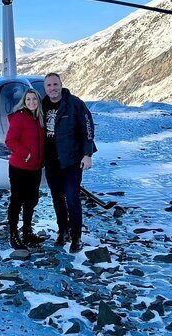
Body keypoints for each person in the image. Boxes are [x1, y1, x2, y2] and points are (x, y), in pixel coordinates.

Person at [42, 72, 96, 253]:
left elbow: (87, 128)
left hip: (71, 160)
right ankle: (63, 230)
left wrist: (87, 154)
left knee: (72, 198)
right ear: (45, 88)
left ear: (61, 84)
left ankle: (76, 237)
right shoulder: (42, 105)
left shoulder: (74, 103)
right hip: (51, 161)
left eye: (55, 84)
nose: (52, 88)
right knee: (57, 198)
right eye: (49, 85)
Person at [4, 88, 46, 250]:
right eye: (28, 100)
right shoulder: (19, 118)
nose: (31, 102)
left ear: (38, 101)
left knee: (31, 201)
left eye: (34, 99)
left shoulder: (39, 119)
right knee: (17, 201)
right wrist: (26, 154)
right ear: (24, 101)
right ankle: (13, 234)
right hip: (19, 168)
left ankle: (27, 232)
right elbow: (10, 141)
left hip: (35, 169)